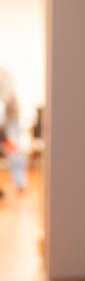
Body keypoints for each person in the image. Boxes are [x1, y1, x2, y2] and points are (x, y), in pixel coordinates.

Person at [0, 66, 27, 195]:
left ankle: (19, 182)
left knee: (14, 150)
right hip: (2, 120)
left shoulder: (4, 74)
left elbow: (6, 97)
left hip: (10, 119)